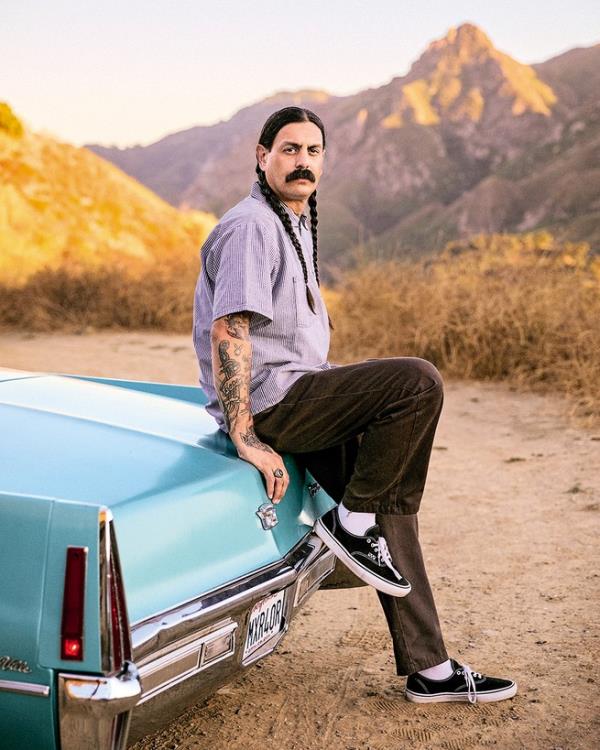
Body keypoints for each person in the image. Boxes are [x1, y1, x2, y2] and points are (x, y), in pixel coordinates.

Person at [192, 106, 517, 704]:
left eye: (313, 152)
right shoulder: (249, 227)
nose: (302, 162)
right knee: (417, 382)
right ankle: (351, 521)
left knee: (390, 508)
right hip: (278, 404)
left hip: (303, 392)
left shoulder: (292, 223)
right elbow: (231, 331)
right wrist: (245, 435)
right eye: (289, 150)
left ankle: (431, 668)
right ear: (261, 156)